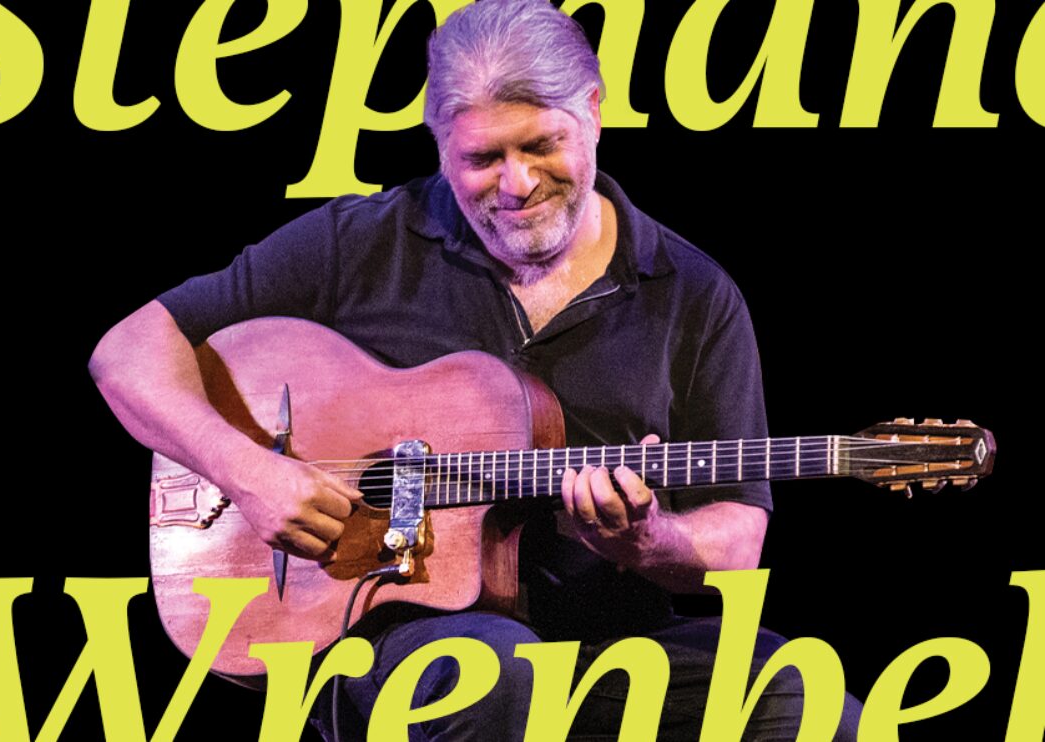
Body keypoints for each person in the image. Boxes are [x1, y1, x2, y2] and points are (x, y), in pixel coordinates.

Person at [90, 0, 860, 738]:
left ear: (593, 111)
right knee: (494, 673)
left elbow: (735, 543)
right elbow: (125, 352)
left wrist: (647, 540)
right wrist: (250, 472)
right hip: (396, 639)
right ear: (437, 144)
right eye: (483, 158)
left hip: (613, 645)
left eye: (541, 146)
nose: (517, 185)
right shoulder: (358, 242)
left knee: (814, 704)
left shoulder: (692, 293)